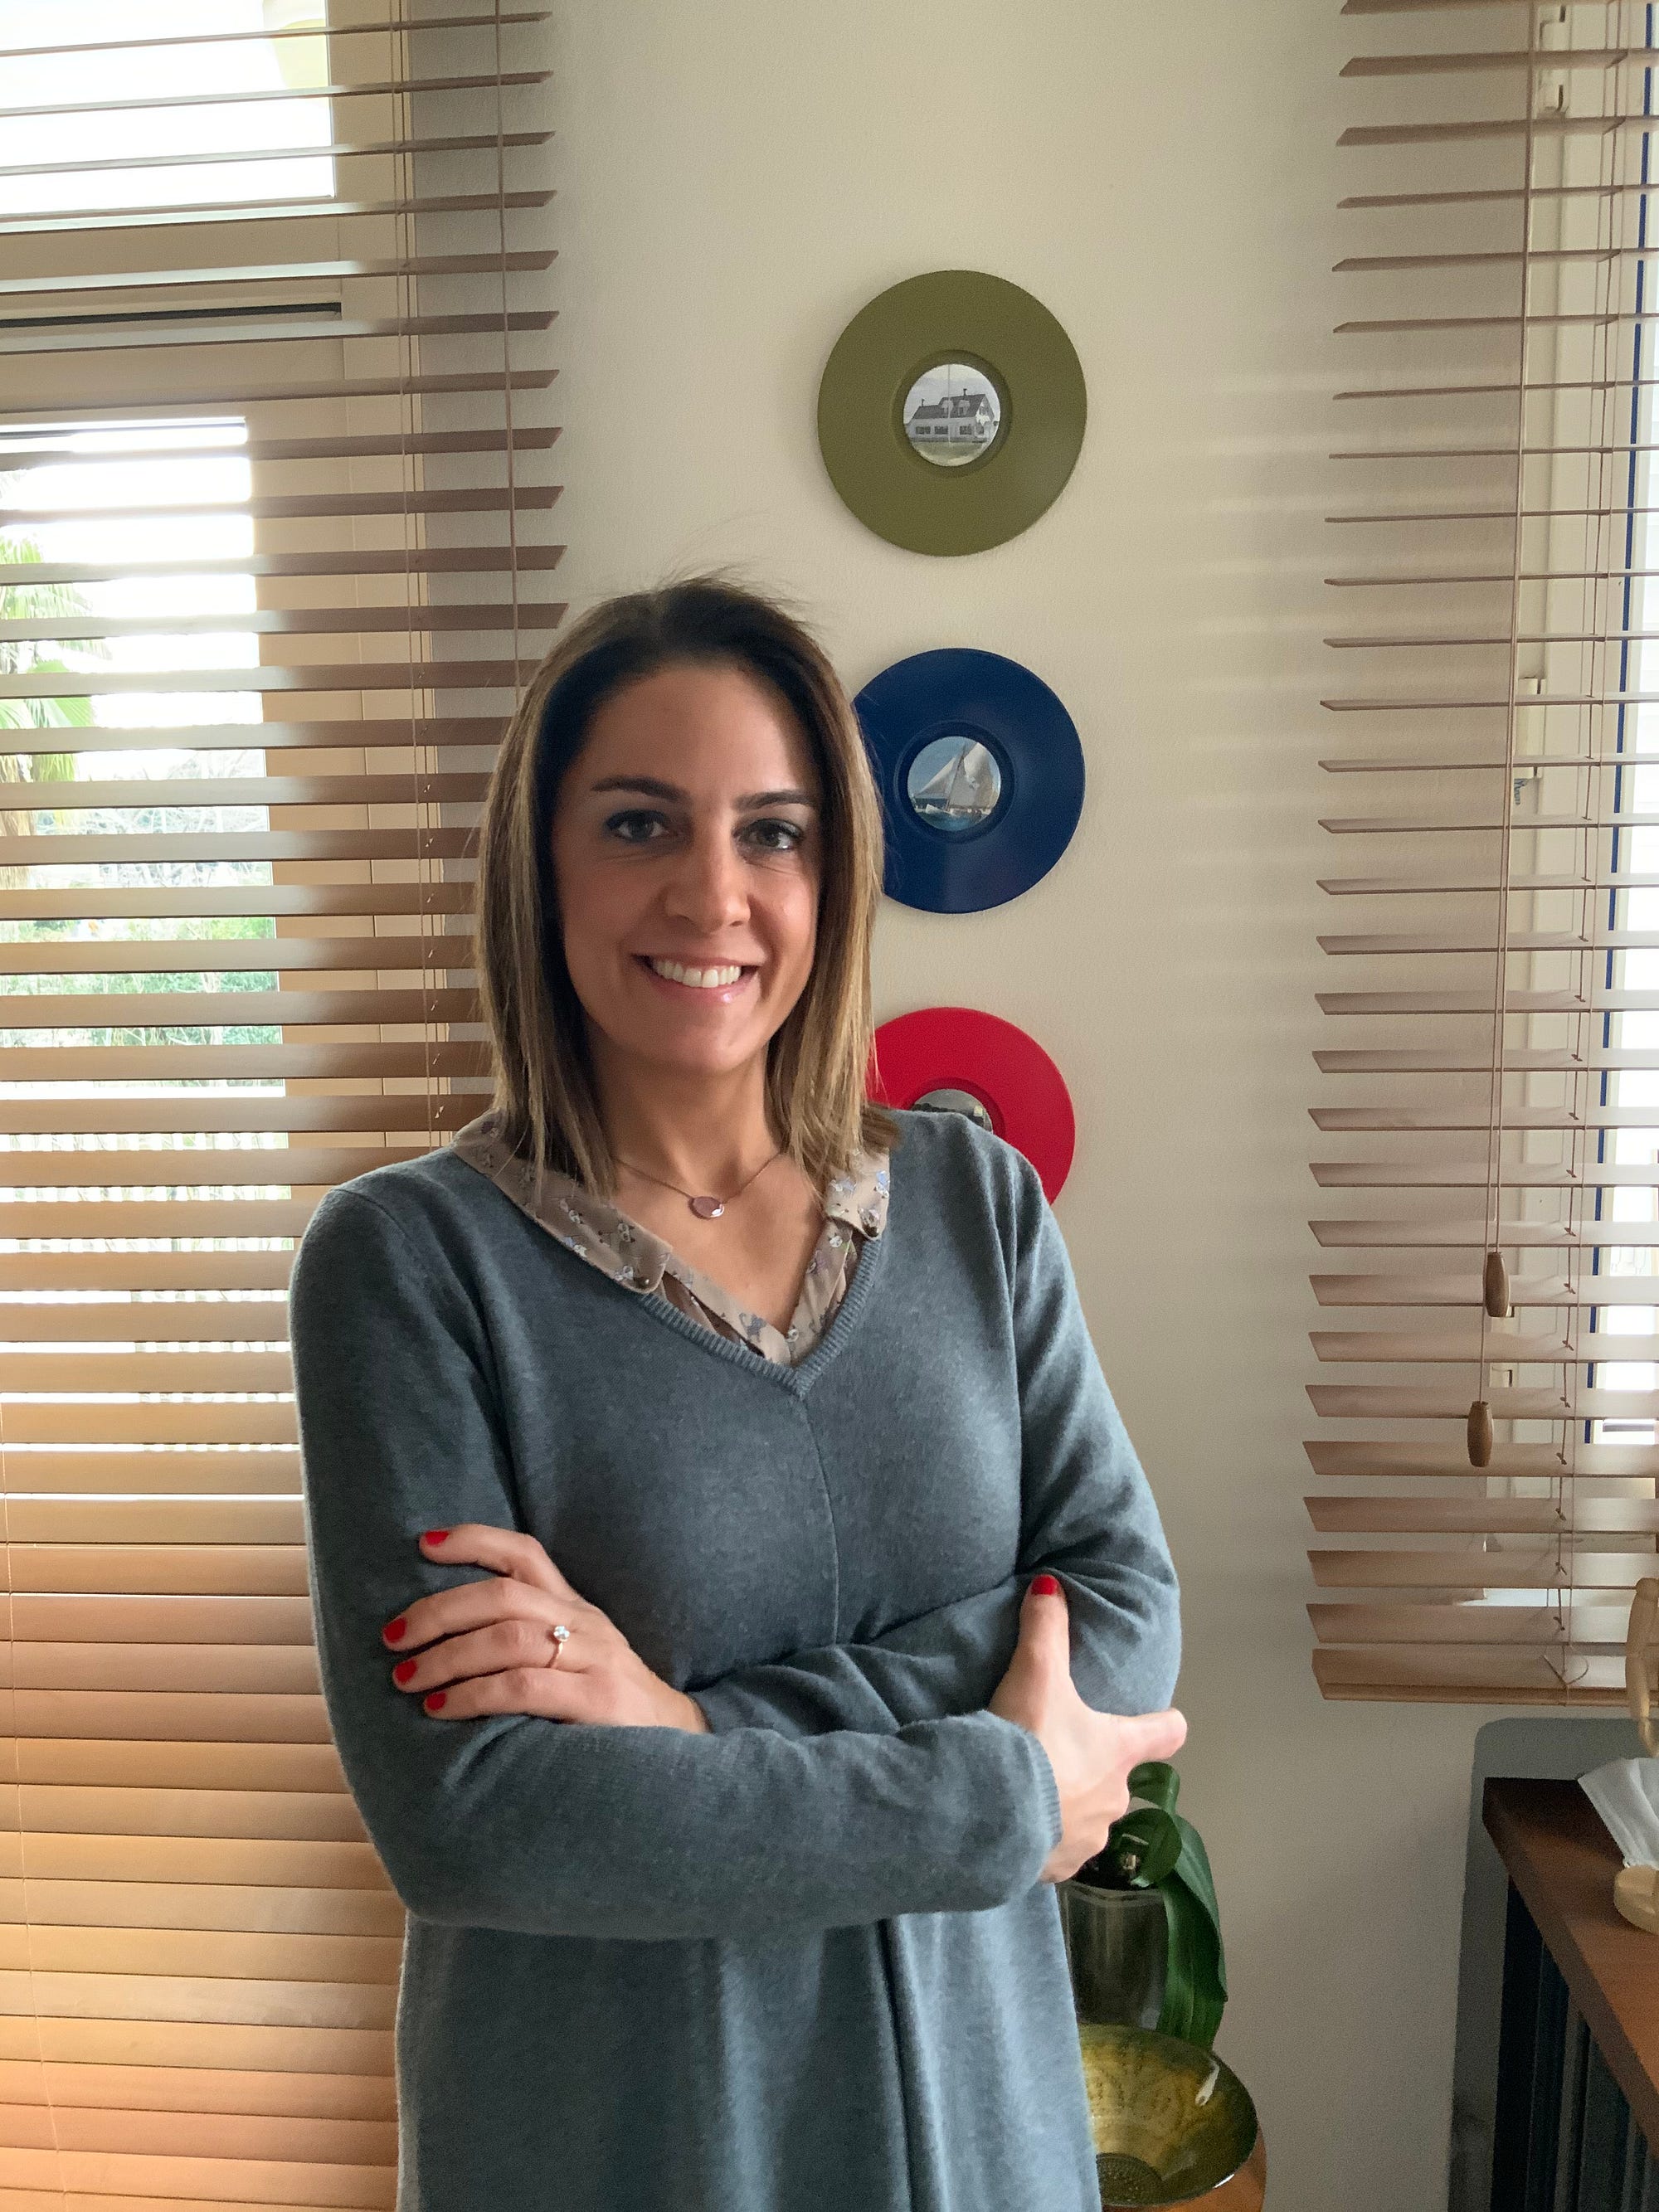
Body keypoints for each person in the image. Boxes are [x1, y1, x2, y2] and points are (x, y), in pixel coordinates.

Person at [289, 574, 1185, 2212]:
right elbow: (480, 1820)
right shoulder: (407, 1262)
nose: (713, 892)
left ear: (832, 877)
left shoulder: (975, 1201)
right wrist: (995, 1779)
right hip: (625, 2147)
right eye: (640, 823)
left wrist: (687, 1726)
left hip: (985, 2137)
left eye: (773, 833)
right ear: (542, 862)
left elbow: (1120, 1614)